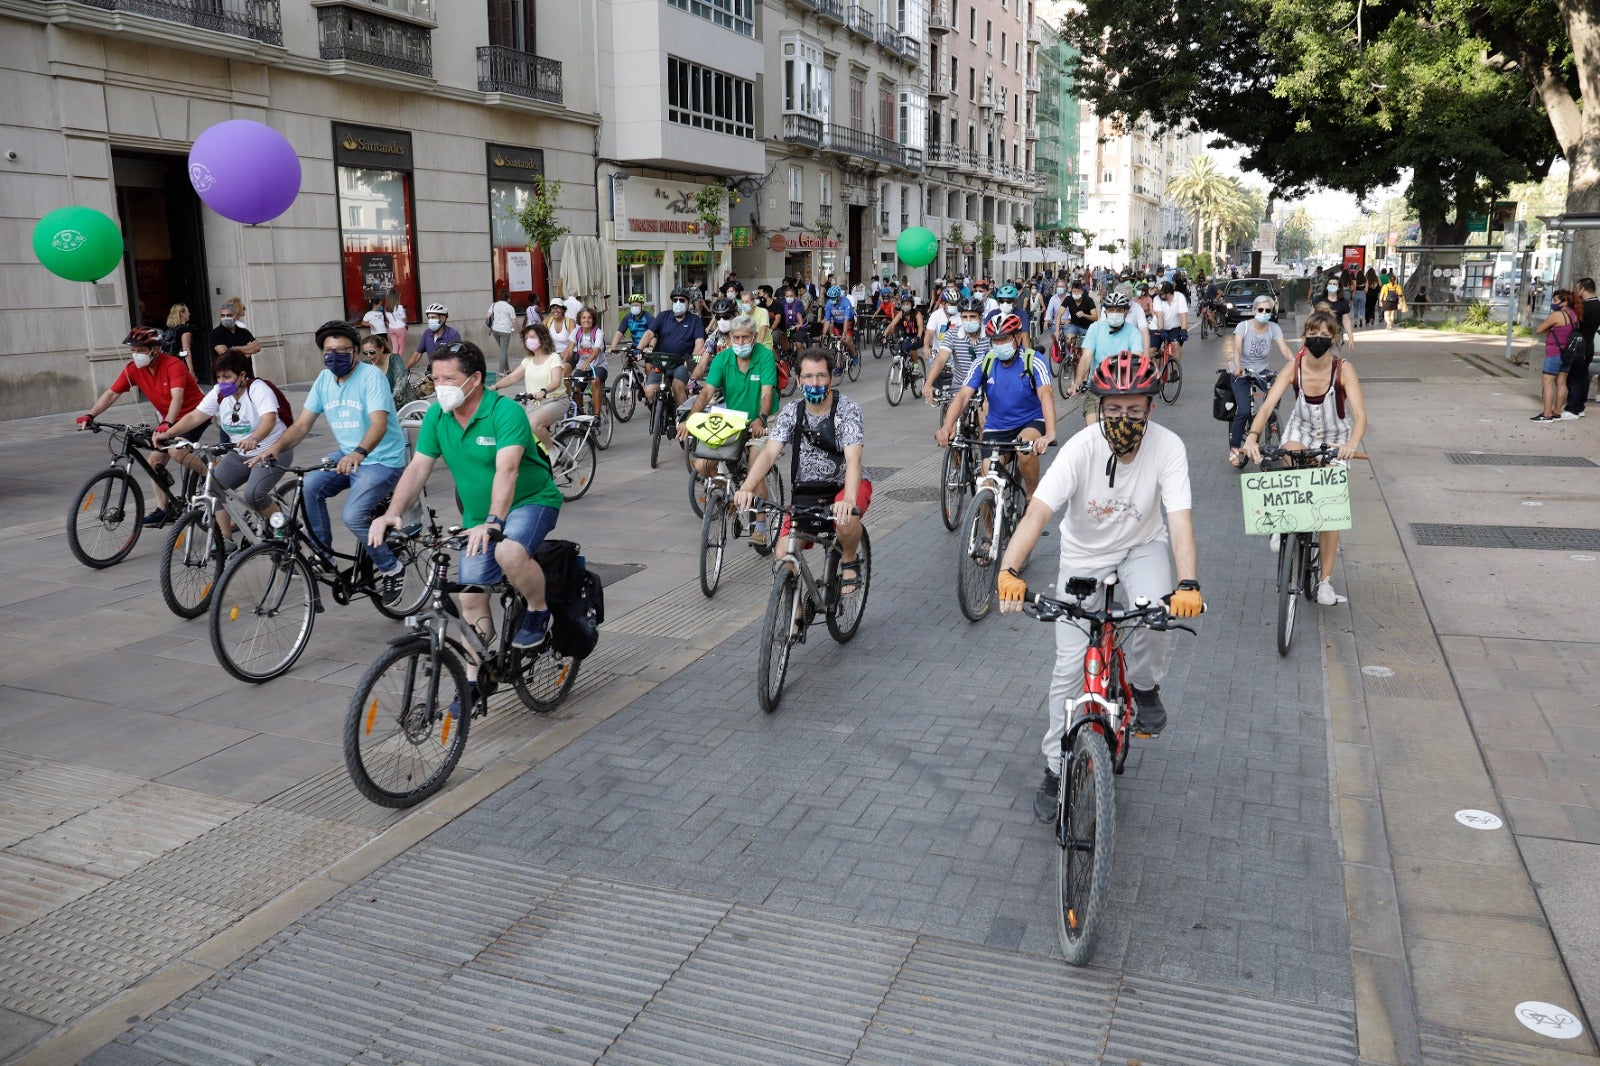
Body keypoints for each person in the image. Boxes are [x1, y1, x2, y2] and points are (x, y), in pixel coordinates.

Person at [995, 351, 1203, 820]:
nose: (1123, 418)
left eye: (1134, 409)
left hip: (1141, 546)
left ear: (1151, 407)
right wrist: (1009, 570)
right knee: (1067, 671)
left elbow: (1180, 522)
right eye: (1114, 409)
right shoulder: (1081, 448)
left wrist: (1188, 583)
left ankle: (1144, 688)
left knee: (1157, 615)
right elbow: (1038, 512)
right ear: (1099, 408)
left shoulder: (1169, 447)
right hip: (1083, 555)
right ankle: (1055, 768)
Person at [371, 340, 562, 679]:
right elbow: (418, 468)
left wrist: (494, 521)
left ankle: (537, 609)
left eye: (448, 379)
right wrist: (393, 512)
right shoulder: (437, 415)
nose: (440, 387)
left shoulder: (505, 412)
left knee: (508, 551)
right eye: (435, 379)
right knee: (470, 600)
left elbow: (508, 470)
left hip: (529, 501)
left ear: (475, 379)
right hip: (476, 516)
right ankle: (473, 683)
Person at [252, 320, 410, 606]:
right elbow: (301, 426)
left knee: (353, 515)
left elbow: (379, 424)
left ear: (356, 351)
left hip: (382, 459)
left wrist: (359, 453)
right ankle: (323, 556)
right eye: (329, 351)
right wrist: (273, 449)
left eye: (342, 350)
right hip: (347, 455)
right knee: (309, 487)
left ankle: (391, 567)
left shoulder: (371, 377)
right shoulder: (324, 380)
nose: (334, 356)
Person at [1241, 310, 1368, 605]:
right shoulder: (1294, 367)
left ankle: (1325, 581)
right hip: (1301, 430)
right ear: (1304, 337)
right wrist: (1252, 436)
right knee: (1286, 458)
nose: (1317, 340)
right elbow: (1267, 406)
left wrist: (1351, 444)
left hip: (1335, 438)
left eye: (1324, 335)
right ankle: (1281, 524)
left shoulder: (1343, 369)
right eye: (1312, 334)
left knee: (1330, 507)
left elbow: (1360, 416)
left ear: (1334, 339)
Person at [735, 348, 868, 590]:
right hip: (808, 491)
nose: (814, 382)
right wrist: (747, 487)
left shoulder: (847, 409)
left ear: (831, 378)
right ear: (798, 380)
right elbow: (769, 453)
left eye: (821, 376)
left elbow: (853, 459)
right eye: (808, 376)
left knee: (846, 519)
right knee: (783, 554)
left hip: (845, 485)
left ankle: (849, 559)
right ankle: (793, 611)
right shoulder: (792, 412)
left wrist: (849, 499)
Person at [153, 349, 291, 542]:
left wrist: (255, 438)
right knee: (213, 490)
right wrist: (169, 433)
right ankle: (225, 541)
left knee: (254, 495)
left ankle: (284, 527)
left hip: (272, 450)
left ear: (242, 375)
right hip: (239, 454)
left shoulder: (258, 389)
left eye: (227, 377)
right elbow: (195, 416)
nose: (222, 382)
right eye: (218, 377)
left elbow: (269, 419)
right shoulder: (219, 393)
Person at [75, 326, 207, 528]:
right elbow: (111, 394)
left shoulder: (173, 365)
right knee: (154, 460)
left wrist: (167, 424)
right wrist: (91, 414)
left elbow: (177, 398)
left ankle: (211, 476)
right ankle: (163, 511)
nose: (136, 355)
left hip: (194, 415)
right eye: (133, 351)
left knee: (176, 452)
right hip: (170, 419)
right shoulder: (133, 369)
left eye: (141, 350)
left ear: (155, 349)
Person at [934, 314, 1056, 500]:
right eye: (995, 340)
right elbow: (963, 395)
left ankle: (1032, 496)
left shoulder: (1033, 360)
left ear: (1017, 337)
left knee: (1024, 449)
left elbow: (1046, 395)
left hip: (1030, 421)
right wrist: (947, 427)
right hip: (997, 426)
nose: (999, 344)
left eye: (1004, 339)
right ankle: (991, 517)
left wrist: (1050, 434)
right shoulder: (985, 361)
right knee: (986, 482)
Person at [1225, 296, 1295, 466]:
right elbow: (1237, 348)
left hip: (1261, 370)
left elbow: (1284, 348)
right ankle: (1234, 450)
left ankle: (1267, 419)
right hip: (1241, 371)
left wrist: (1295, 362)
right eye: (1261, 310)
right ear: (1254, 310)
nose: (1264, 313)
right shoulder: (1243, 326)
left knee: (1276, 392)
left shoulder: (1273, 328)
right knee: (1243, 410)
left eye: (1267, 310)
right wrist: (1238, 366)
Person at [1070, 291, 1147, 425]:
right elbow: (1086, 357)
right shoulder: (1095, 328)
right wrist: (1077, 382)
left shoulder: (1133, 332)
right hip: (1096, 388)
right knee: (1092, 427)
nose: (1115, 313)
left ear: (1125, 312)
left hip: (1123, 391)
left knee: (1129, 429)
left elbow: (1136, 359)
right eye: (1111, 310)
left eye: (1119, 310)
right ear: (1106, 311)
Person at [495, 321, 566, 451]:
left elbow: (556, 382)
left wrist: (543, 391)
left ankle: (552, 451)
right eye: (526, 338)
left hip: (555, 400)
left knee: (534, 425)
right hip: (534, 403)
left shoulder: (553, 358)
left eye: (532, 337)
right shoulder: (528, 360)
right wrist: (494, 387)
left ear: (542, 338)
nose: (528, 340)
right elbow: (512, 377)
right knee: (520, 430)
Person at [638, 287, 706, 410]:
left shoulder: (694, 320)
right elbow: (649, 333)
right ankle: (660, 413)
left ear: (688, 303)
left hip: (681, 363)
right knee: (649, 391)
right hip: (661, 362)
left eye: (682, 300)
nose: (678, 303)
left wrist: (691, 359)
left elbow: (699, 342)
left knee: (677, 386)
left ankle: (682, 416)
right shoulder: (663, 316)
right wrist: (639, 348)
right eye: (675, 300)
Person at [924, 296, 989, 405]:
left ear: (980, 318)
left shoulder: (990, 334)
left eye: (973, 316)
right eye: (965, 317)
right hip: (960, 386)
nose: (968, 320)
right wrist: (928, 384)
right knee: (953, 413)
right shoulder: (952, 334)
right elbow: (941, 360)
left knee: (984, 413)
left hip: (985, 385)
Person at [1531, 289, 1580, 423]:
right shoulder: (1574, 315)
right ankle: (1557, 412)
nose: (1553, 303)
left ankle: (1547, 414)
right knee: (1561, 383)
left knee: (1547, 383)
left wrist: (1549, 330)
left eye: (1556, 300)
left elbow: (1539, 329)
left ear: (1564, 302)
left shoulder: (1557, 315)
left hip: (1554, 354)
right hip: (1567, 354)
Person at [1564, 276, 1598, 419]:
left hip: (1578, 346)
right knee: (1583, 377)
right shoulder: (1598, 305)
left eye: (1577, 289)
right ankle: (1580, 407)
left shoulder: (1584, 307)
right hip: (1589, 345)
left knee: (1575, 377)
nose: (1576, 292)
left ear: (1583, 289)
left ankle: (1572, 409)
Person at [568, 306, 607, 415]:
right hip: (582, 367)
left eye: (589, 318)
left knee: (594, 381)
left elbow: (596, 350)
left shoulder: (598, 333)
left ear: (593, 319)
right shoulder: (576, 332)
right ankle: (581, 413)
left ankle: (597, 416)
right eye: (584, 318)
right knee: (576, 389)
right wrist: (562, 362)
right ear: (580, 320)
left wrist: (589, 361)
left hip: (598, 366)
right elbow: (569, 349)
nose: (586, 320)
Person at [209, 304, 260, 381]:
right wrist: (247, 351)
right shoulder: (216, 333)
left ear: (235, 315)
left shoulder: (244, 332)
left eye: (229, 315)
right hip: (227, 378)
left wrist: (233, 348)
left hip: (247, 376)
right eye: (223, 316)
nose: (225, 318)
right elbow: (224, 352)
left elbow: (257, 347)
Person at [407, 303, 461, 371]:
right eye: (429, 318)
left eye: (433, 317)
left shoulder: (453, 334)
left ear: (443, 319)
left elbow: (455, 359)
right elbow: (417, 354)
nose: (430, 320)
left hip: (448, 372)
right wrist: (406, 368)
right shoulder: (427, 333)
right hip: (433, 372)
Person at [361, 333, 409, 406]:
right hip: (378, 405)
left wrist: (385, 402)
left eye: (372, 352)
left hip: (401, 404)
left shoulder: (394, 359)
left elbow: (400, 384)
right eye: (366, 353)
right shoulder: (367, 365)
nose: (369, 356)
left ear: (381, 349)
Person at [820, 284, 858, 372]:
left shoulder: (846, 302)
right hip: (837, 323)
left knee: (847, 340)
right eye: (830, 298)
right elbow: (827, 320)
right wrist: (823, 333)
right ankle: (839, 366)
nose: (831, 300)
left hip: (848, 322)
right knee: (838, 344)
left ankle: (854, 355)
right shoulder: (829, 304)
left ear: (838, 297)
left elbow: (846, 320)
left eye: (833, 298)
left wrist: (844, 334)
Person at [1149, 281, 1190, 359]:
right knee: (1151, 351)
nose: (1159, 295)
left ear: (1168, 293)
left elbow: (1183, 316)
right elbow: (1160, 316)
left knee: (1176, 345)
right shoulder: (1157, 299)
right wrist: (1161, 329)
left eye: (1161, 294)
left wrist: (1184, 330)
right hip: (1157, 327)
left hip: (1174, 327)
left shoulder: (1180, 297)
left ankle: (1175, 366)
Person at [1314, 278, 1356, 349]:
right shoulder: (1318, 300)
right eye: (1330, 284)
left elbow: (1346, 321)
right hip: (1320, 334)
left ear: (1339, 287)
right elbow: (1311, 317)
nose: (1332, 285)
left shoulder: (1343, 302)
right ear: (1326, 286)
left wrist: (1351, 338)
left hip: (1336, 336)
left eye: (1334, 284)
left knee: (1333, 354)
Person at [486, 288, 519, 375]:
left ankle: (507, 370)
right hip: (505, 331)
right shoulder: (509, 307)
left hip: (495, 330)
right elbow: (514, 321)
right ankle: (501, 372)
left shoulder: (494, 305)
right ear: (508, 297)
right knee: (503, 351)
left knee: (502, 350)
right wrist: (519, 329)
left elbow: (488, 315)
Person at [163, 304, 198, 381]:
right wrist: (191, 370)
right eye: (187, 311)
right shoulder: (185, 330)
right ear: (181, 313)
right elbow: (186, 351)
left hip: (170, 364)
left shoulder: (171, 330)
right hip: (180, 365)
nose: (189, 314)